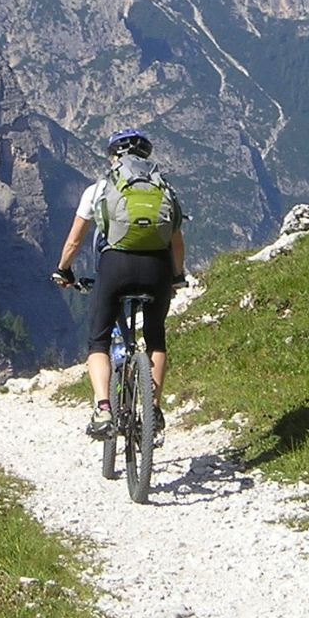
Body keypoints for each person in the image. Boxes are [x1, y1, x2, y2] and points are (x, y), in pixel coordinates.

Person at [51, 128, 186, 440]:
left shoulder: (98, 189)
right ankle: (152, 410)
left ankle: (103, 409)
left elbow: (74, 241)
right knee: (155, 339)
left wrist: (63, 270)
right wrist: (177, 275)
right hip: (158, 268)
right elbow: (177, 243)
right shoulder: (165, 190)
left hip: (115, 267)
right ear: (146, 158)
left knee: (98, 341)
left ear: (113, 157)